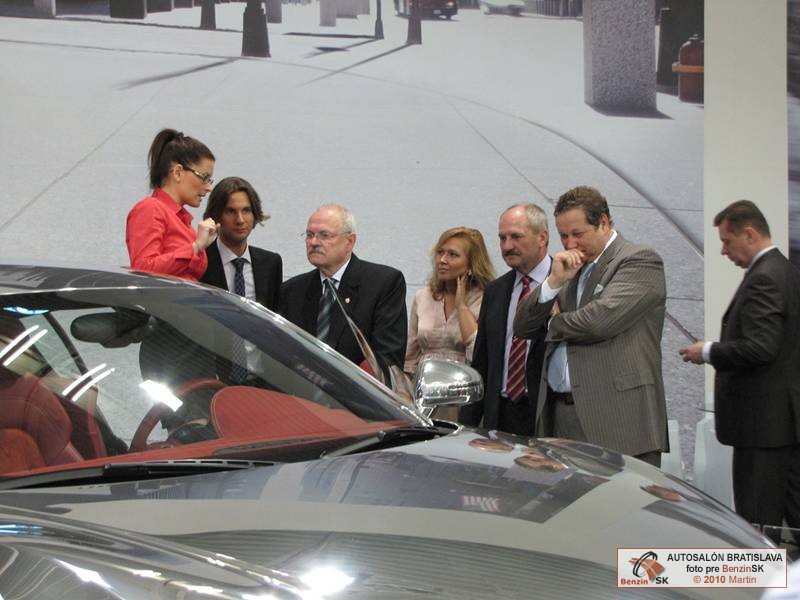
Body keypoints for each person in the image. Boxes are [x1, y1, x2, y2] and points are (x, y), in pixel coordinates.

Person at [514, 186, 668, 466]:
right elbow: (523, 326)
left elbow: (598, 322)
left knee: (620, 496)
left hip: (617, 421)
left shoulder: (638, 260)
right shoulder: (568, 268)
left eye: (578, 234)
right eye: (563, 236)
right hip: (560, 416)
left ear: (604, 223)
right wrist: (553, 284)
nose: (570, 244)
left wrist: (551, 322)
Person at [679, 200, 800, 537]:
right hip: (782, 425)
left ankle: (760, 575)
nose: (723, 251)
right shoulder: (786, 270)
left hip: (763, 427)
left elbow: (761, 348)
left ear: (749, 234)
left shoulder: (765, 278)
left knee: (757, 528)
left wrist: (707, 351)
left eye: (726, 241)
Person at [279, 204, 407, 376]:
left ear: (350, 242)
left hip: (357, 391)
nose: (313, 242)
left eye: (324, 235)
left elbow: (387, 360)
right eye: (309, 235)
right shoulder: (292, 290)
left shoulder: (383, 283)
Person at [459, 204, 551, 436]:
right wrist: (467, 428)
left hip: (547, 416)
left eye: (516, 237)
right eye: (502, 238)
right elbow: (482, 362)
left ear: (542, 238)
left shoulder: (565, 285)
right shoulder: (496, 290)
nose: (507, 246)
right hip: (500, 416)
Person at [126, 128, 219, 281]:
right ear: (177, 172)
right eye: (204, 177)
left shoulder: (184, 223)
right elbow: (143, 269)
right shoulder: (150, 208)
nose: (209, 187)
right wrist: (196, 246)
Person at [404, 226, 494, 377]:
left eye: (453, 254)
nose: (442, 260)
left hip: (465, 383)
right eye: (440, 252)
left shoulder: (486, 298)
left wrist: (462, 307)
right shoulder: (423, 296)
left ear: (472, 263)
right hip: (424, 385)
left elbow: (479, 354)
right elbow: (410, 358)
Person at [200, 177, 282, 312]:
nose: (240, 220)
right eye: (230, 211)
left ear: (254, 214)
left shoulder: (271, 263)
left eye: (246, 210)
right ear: (216, 216)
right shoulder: (201, 261)